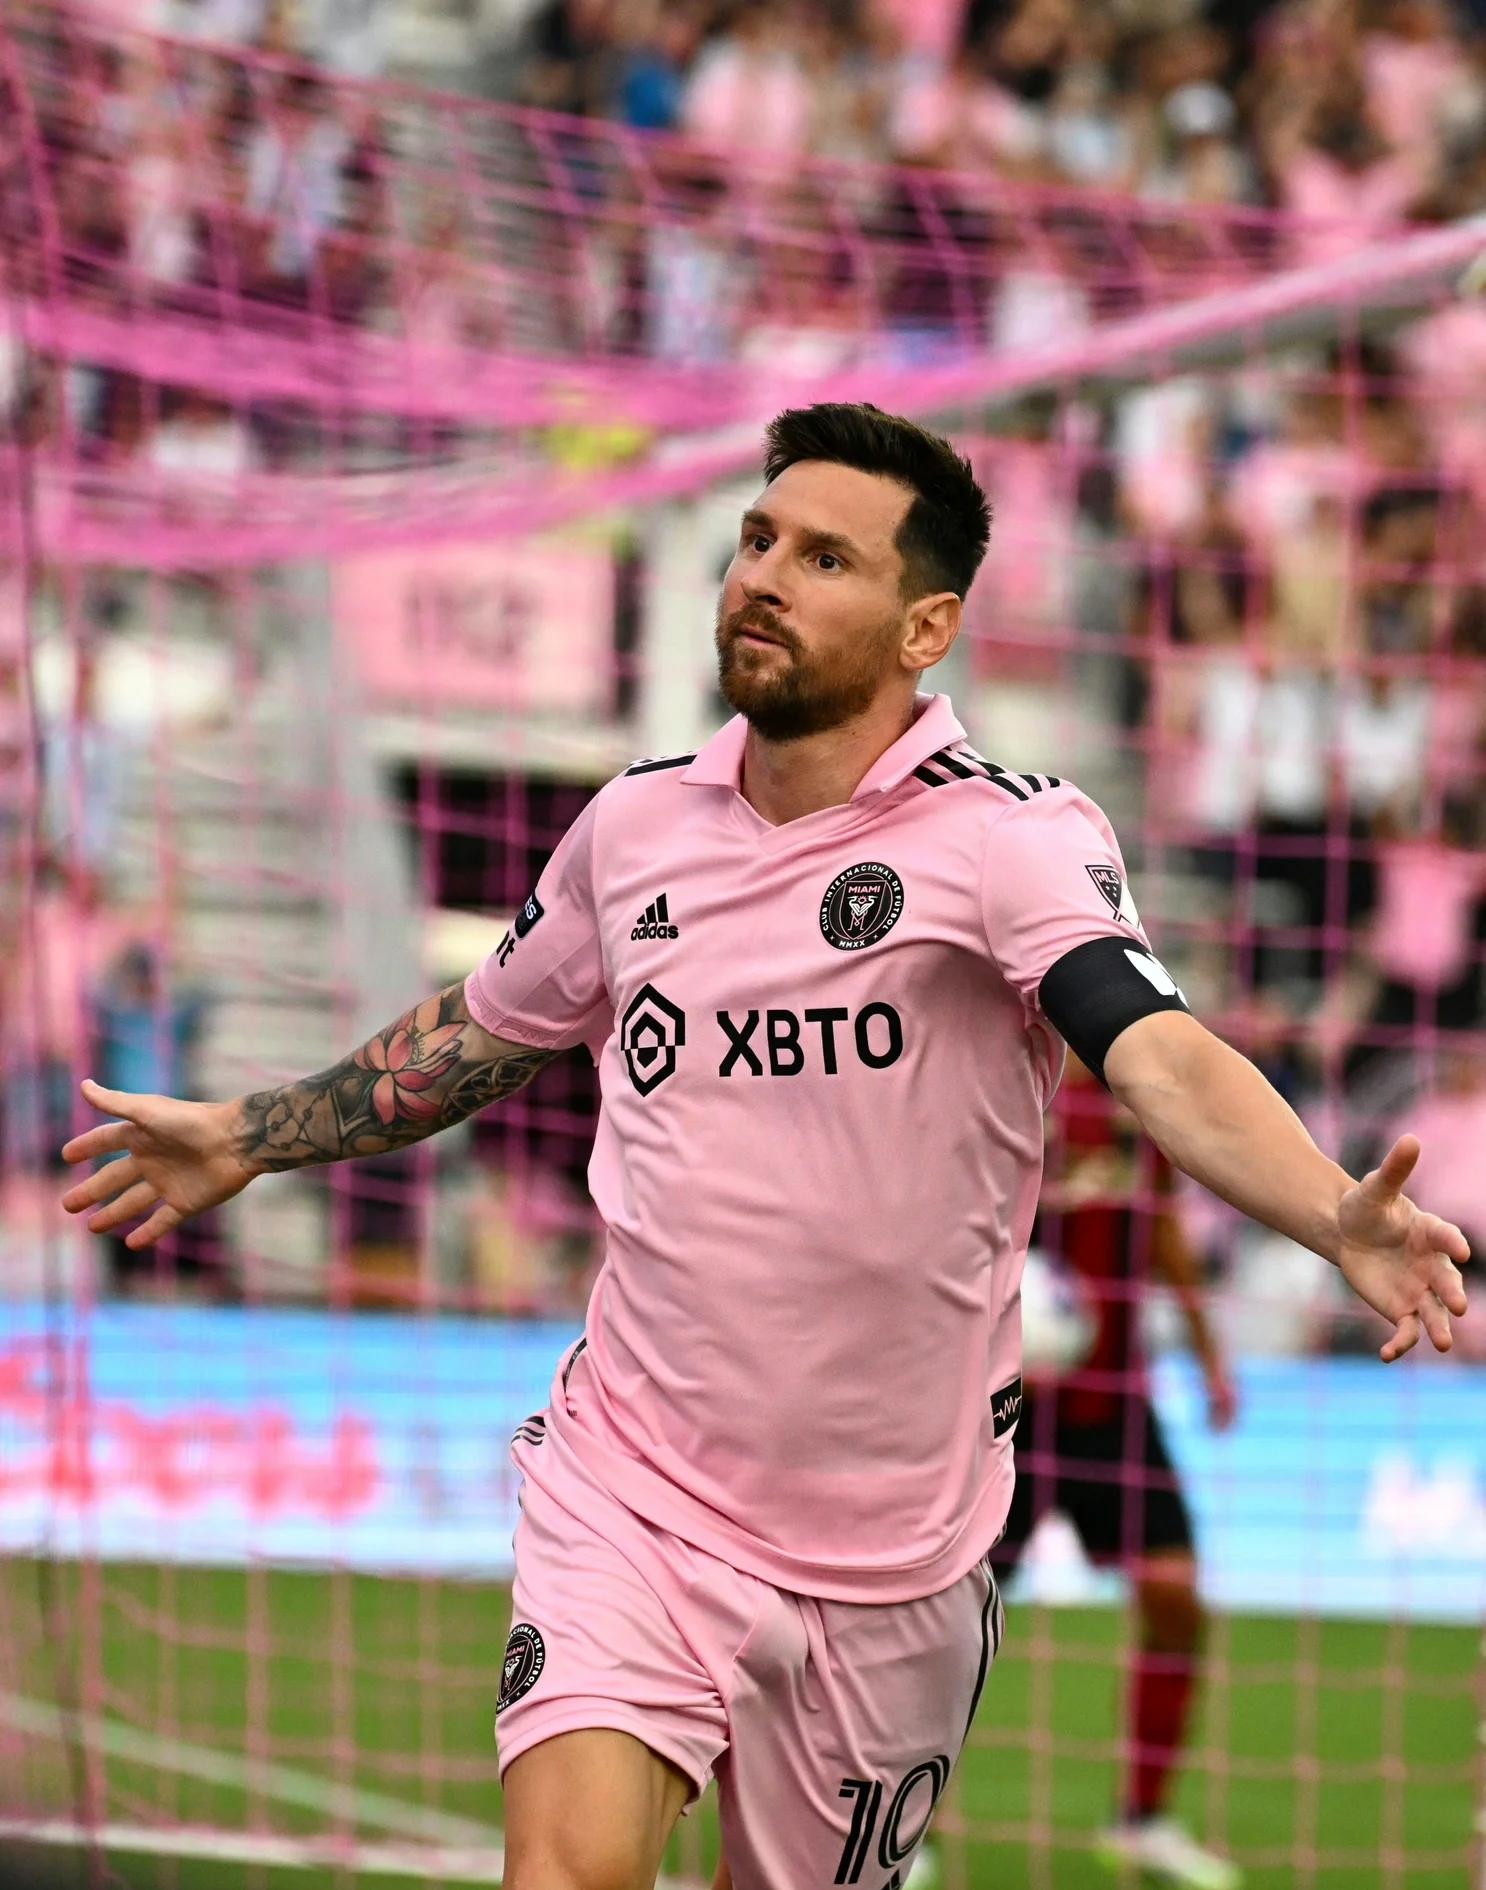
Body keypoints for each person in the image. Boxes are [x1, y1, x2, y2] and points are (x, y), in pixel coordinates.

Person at [61, 404, 1469, 1890]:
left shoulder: (1012, 836)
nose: (764, 577)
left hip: (896, 1563)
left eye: (824, 557)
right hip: (634, 1491)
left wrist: (1330, 1210)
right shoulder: (632, 827)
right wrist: (250, 1134)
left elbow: (1158, 1053)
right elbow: (478, 1033)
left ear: (926, 626)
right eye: (756, 540)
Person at [995, 1055, 1240, 1888]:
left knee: (1175, 1596)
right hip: (1012, 1413)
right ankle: (894, 1824)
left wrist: (1208, 1357)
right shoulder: (1011, 1091)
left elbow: (1162, 1231)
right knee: (944, 1625)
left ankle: (1143, 1820)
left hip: (1119, 1408)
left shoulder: (1143, 1106)